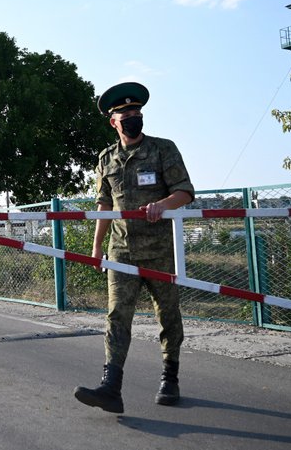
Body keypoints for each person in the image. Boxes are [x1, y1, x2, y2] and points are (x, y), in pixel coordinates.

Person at [74, 81, 195, 414]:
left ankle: (170, 377)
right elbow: (103, 205)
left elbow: (185, 192)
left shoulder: (162, 149)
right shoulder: (106, 159)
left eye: (136, 111)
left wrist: (164, 204)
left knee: (167, 315)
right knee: (117, 317)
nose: (132, 116)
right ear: (113, 121)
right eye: (125, 113)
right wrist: (97, 247)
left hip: (159, 251)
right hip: (121, 251)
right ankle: (111, 386)